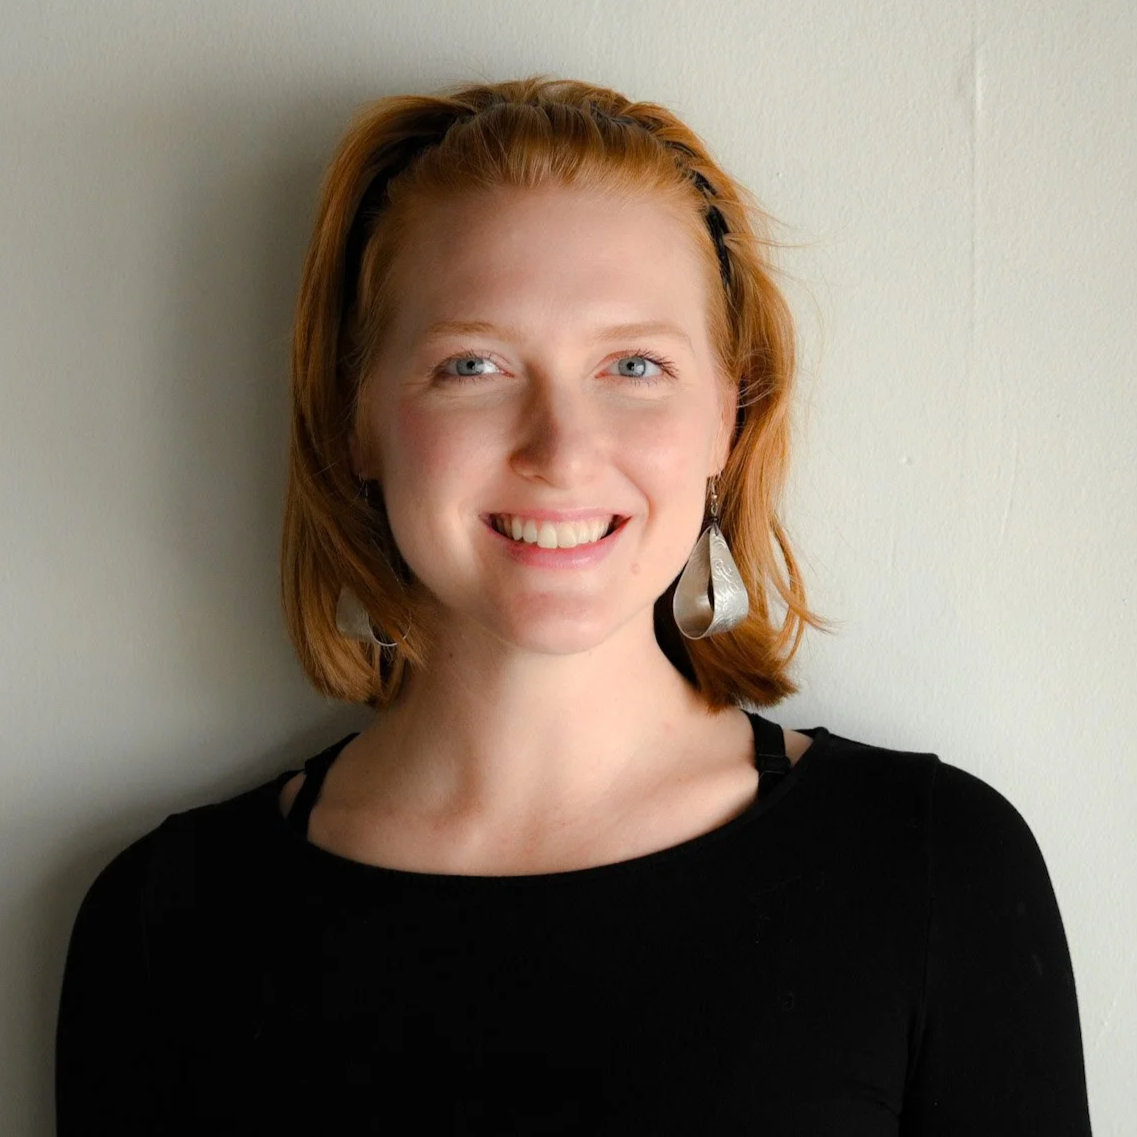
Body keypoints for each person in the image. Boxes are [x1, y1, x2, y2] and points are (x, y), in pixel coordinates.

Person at [54, 76, 1093, 1134]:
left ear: (728, 421)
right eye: (474, 365)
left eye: (634, 365)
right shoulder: (164, 922)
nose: (560, 450)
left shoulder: (931, 873)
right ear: (355, 417)